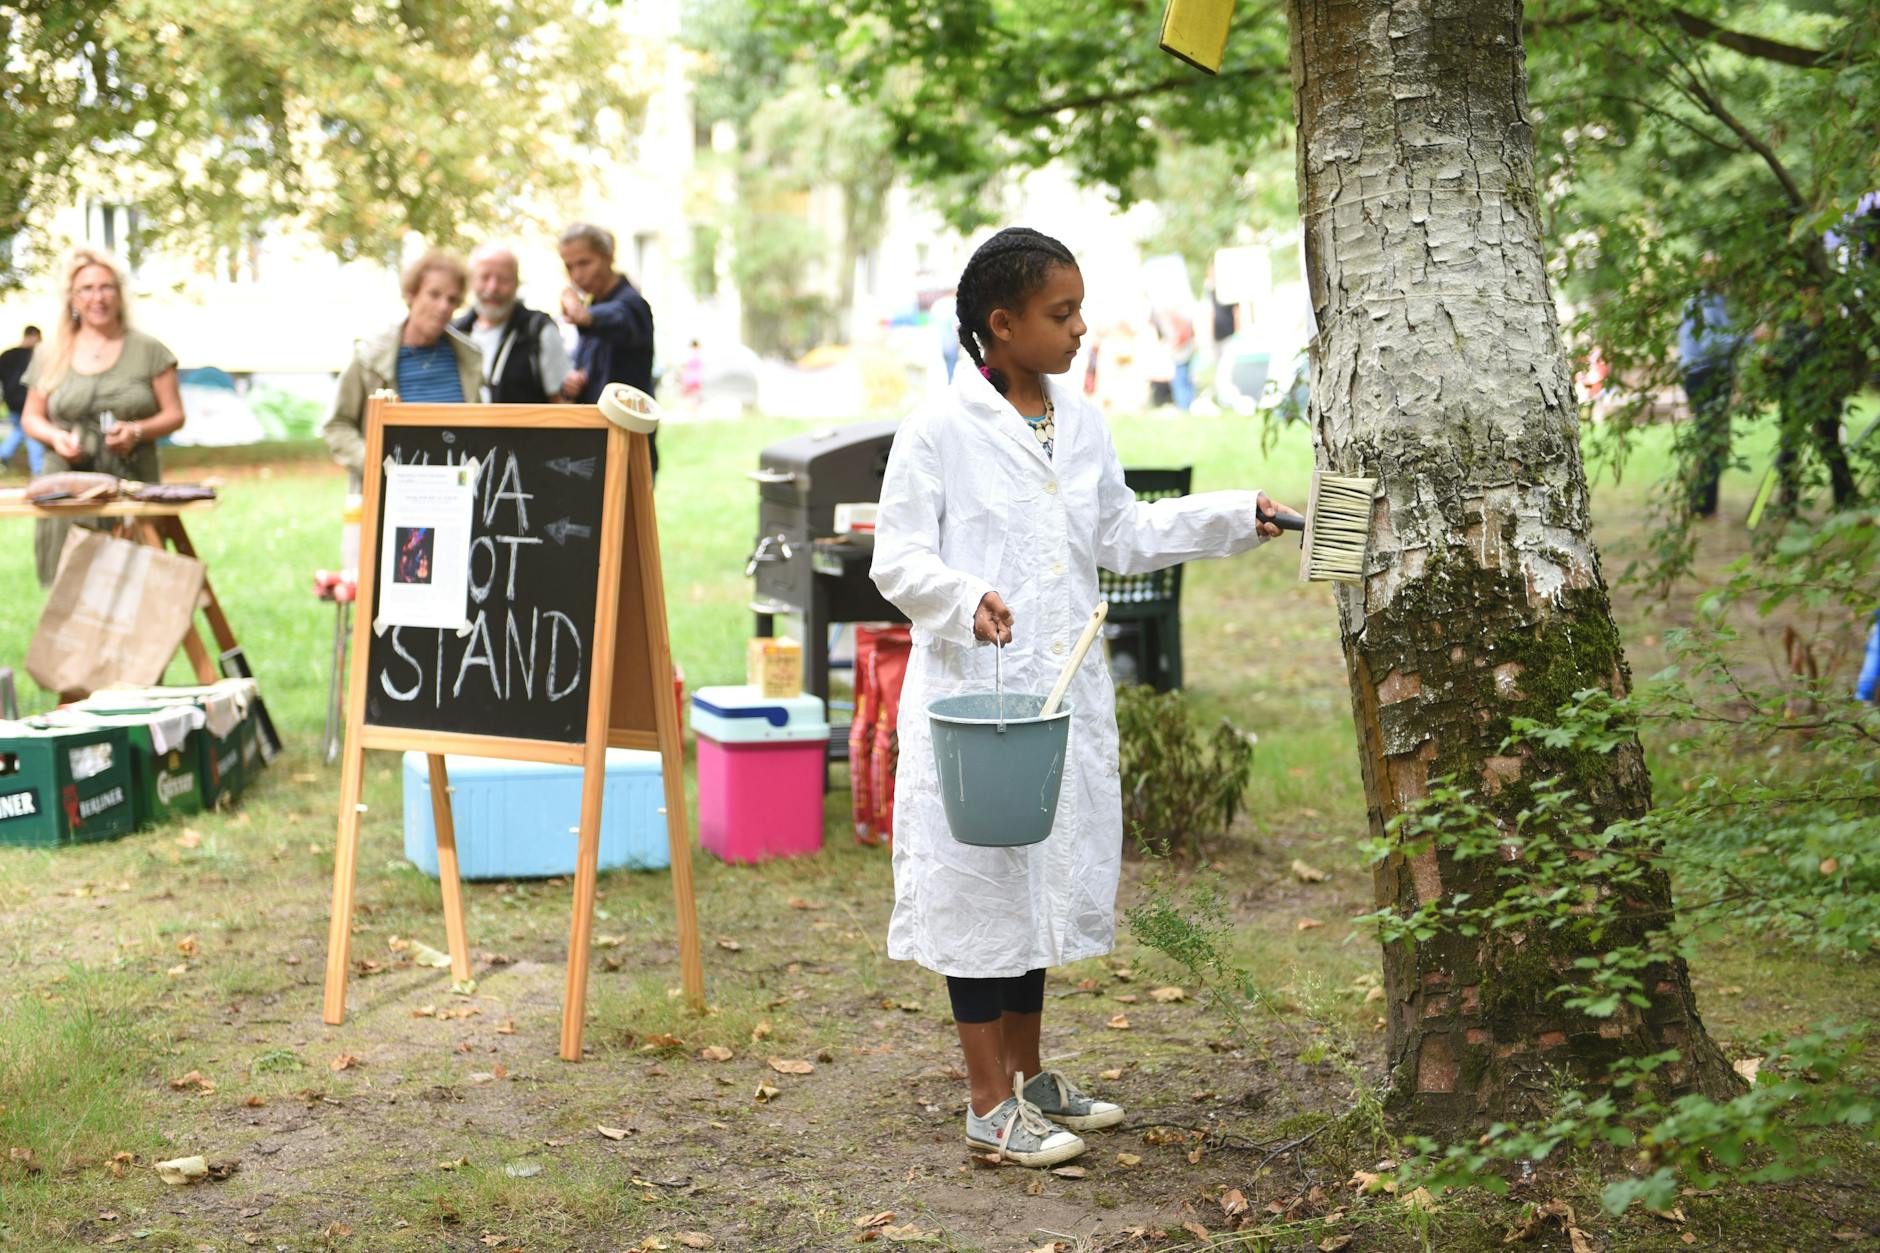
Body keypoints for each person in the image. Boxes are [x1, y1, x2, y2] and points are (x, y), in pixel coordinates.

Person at [869, 227, 1293, 1168]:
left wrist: (1233, 515)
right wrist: (962, 596)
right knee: (981, 887)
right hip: (977, 695)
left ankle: (1028, 1076)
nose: (1081, 328)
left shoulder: (1082, 416)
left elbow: (1122, 531)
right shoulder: (938, 428)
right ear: (1002, 323)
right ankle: (989, 1105)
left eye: (1079, 310)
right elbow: (896, 556)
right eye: (1062, 315)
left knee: (1037, 882)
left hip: (1060, 689)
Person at [19, 251, 186, 586]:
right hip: (67, 486)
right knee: (71, 596)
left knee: (135, 589)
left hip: (131, 481)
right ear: (73, 298)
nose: (98, 297)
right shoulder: (50, 352)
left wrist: (137, 430)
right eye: (88, 288)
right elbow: (31, 417)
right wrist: (56, 437)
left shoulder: (149, 350)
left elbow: (175, 415)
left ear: (120, 295)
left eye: (107, 288)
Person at [324, 250, 479, 488]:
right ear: (411, 294)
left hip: (454, 495)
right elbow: (338, 425)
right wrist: (374, 464)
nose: (443, 306)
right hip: (392, 497)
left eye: (452, 299)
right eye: (434, 294)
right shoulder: (369, 357)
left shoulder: (470, 358)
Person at [557, 223, 658, 474]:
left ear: (608, 256)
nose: (577, 275)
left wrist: (584, 314)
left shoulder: (632, 305)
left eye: (584, 263)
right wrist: (576, 382)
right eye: (569, 267)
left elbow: (618, 319)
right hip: (597, 441)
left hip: (628, 442)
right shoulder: (595, 306)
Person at [452, 243, 572, 404]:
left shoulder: (538, 331)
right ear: (472, 281)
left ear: (516, 284)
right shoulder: (454, 333)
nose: (493, 287)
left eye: (503, 279)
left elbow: (561, 404)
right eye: (485, 277)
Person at [1677, 280, 1743, 518]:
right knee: (1710, 441)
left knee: (1714, 442)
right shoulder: (1704, 305)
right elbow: (1712, 345)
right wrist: (1748, 338)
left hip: (1711, 376)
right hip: (1705, 376)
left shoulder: (1714, 303)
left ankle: (1704, 504)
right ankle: (1701, 505)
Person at [1, 324, 44, 475]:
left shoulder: (7, 355)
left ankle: (3, 455)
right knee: (31, 432)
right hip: (27, 401)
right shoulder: (33, 356)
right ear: (32, 336)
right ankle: (38, 469)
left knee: (19, 430)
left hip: (12, 401)